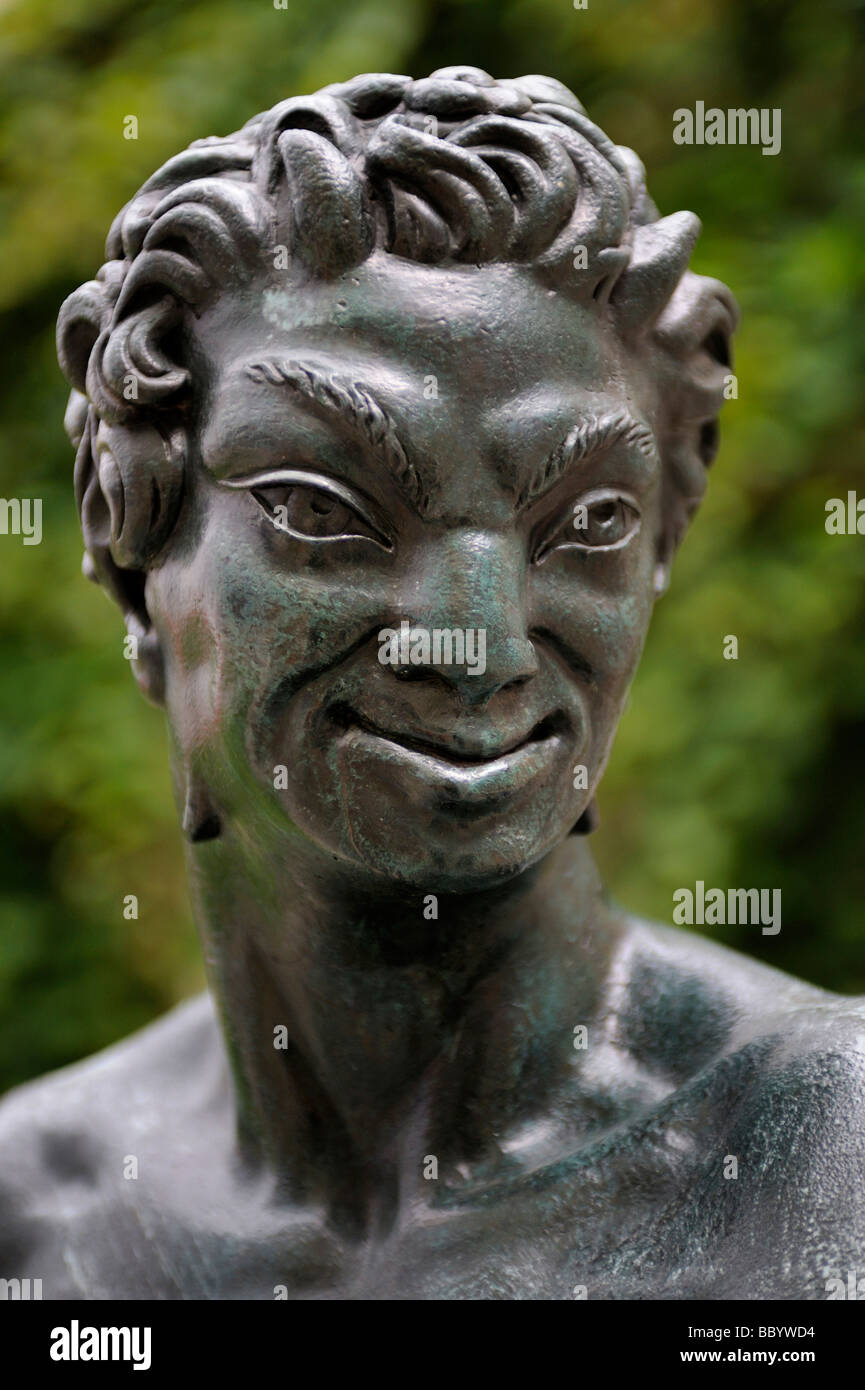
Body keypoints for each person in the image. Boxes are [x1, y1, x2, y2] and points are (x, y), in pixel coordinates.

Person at [1, 67, 862, 1300]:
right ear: (132, 537)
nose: (478, 639)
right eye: (322, 511)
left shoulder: (827, 1163)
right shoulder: (35, 1214)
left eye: (589, 521)